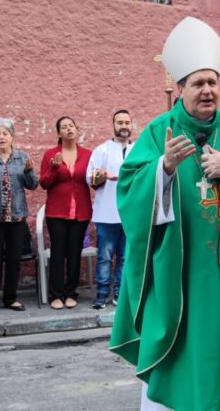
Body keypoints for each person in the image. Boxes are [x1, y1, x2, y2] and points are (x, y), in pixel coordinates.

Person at [109, 16, 220, 411]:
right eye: (198, 83)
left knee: (213, 349)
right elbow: (129, 190)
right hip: (174, 271)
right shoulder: (158, 131)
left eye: (213, 82)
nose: (208, 90)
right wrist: (162, 170)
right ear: (180, 88)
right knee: (177, 349)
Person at [0, 118, 37, 315]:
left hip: (17, 217)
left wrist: (28, 171)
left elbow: (32, 185)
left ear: (12, 136)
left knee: (13, 259)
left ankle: (11, 298)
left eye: (5, 134)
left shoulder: (22, 158)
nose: (1, 137)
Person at [40, 116, 92, 310]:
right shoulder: (50, 154)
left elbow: (92, 180)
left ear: (77, 130)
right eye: (64, 127)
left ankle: (71, 293)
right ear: (59, 133)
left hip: (81, 211)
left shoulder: (88, 154)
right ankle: (56, 294)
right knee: (58, 252)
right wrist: (54, 167)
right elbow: (44, 183)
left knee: (74, 253)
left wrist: (100, 177)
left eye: (71, 126)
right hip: (57, 212)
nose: (69, 129)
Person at [86, 110, 134, 310]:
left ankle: (120, 294)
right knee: (105, 256)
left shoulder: (139, 149)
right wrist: (103, 175)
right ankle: (102, 293)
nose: (124, 126)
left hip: (131, 213)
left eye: (127, 122)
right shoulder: (102, 150)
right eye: (120, 122)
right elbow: (91, 179)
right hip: (106, 213)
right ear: (113, 124)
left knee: (125, 256)